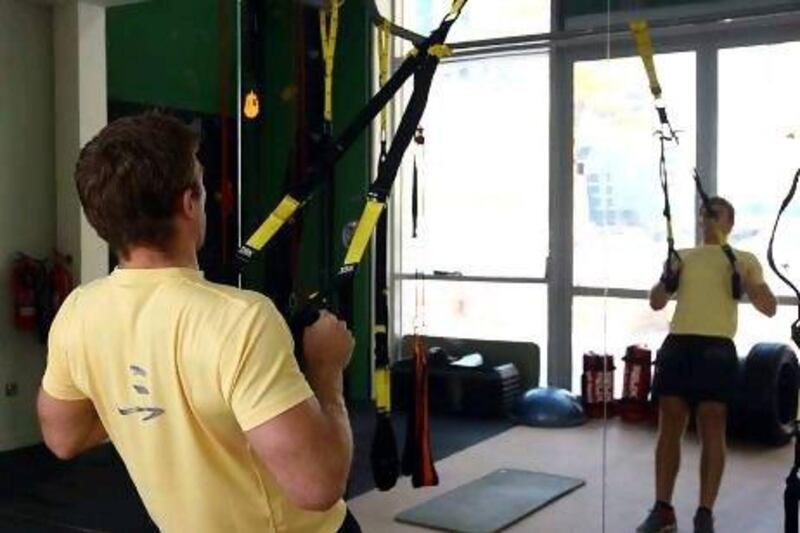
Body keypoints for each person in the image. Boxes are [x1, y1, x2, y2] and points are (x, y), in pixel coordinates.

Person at [36, 113, 361, 532]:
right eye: (202, 186)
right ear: (189, 203)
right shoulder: (243, 319)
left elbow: (63, 437)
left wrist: (156, 402)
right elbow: (318, 487)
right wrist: (327, 370)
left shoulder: (78, 313)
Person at [637, 196, 777, 533]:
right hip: (678, 343)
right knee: (669, 423)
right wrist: (667, 280)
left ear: (730, 223)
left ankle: (704, 513)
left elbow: (769, 307)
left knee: (712, 424)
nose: (708, 220)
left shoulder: (743, 259)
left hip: (716, 347)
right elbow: (657, 302)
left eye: (715, 214)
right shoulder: (682, 256)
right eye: (704, 214)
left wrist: (746, 284)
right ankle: (663, 509)